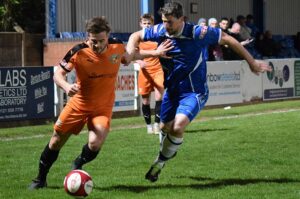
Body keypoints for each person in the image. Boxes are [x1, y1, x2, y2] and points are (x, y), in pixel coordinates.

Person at [126, 2, 272, 182]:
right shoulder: (158, 31)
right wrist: (131, 51)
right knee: (164, 127)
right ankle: (167, 151)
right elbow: (134, 36)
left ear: (181, 19)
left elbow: (227, 38)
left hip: (194, 92)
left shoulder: (198, 33)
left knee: (178, 126)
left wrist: (252, 62)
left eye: (170, 22)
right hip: (171, 91)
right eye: (164, 21)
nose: (166, 26)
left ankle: (159, 163)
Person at [28, 16, 172, 189]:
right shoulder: (78, 51)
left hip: (102, 107)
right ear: (87, 37)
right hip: (79, 104)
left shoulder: (117, 45)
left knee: (95, 144)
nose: (97, 45)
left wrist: (155, 53)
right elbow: (58, 74)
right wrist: (66, 86)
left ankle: (77, 165)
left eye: (101, 41)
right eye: (93, 41)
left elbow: (130, 56)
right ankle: (40, 179)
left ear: (108, 35)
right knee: (56, 141)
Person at [137, 14, 165, 134]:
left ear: (152, 24)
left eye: (149, 23)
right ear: (141, 24)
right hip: (144, 72)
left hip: (157, 70)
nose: (147, 25)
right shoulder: (137, 37)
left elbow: (164, 50)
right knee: (145, 101)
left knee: (159, 96)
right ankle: (148, 126)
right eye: (145, 23)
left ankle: (157, 124)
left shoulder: (157, 36)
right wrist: (139, 61)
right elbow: (132, 54)